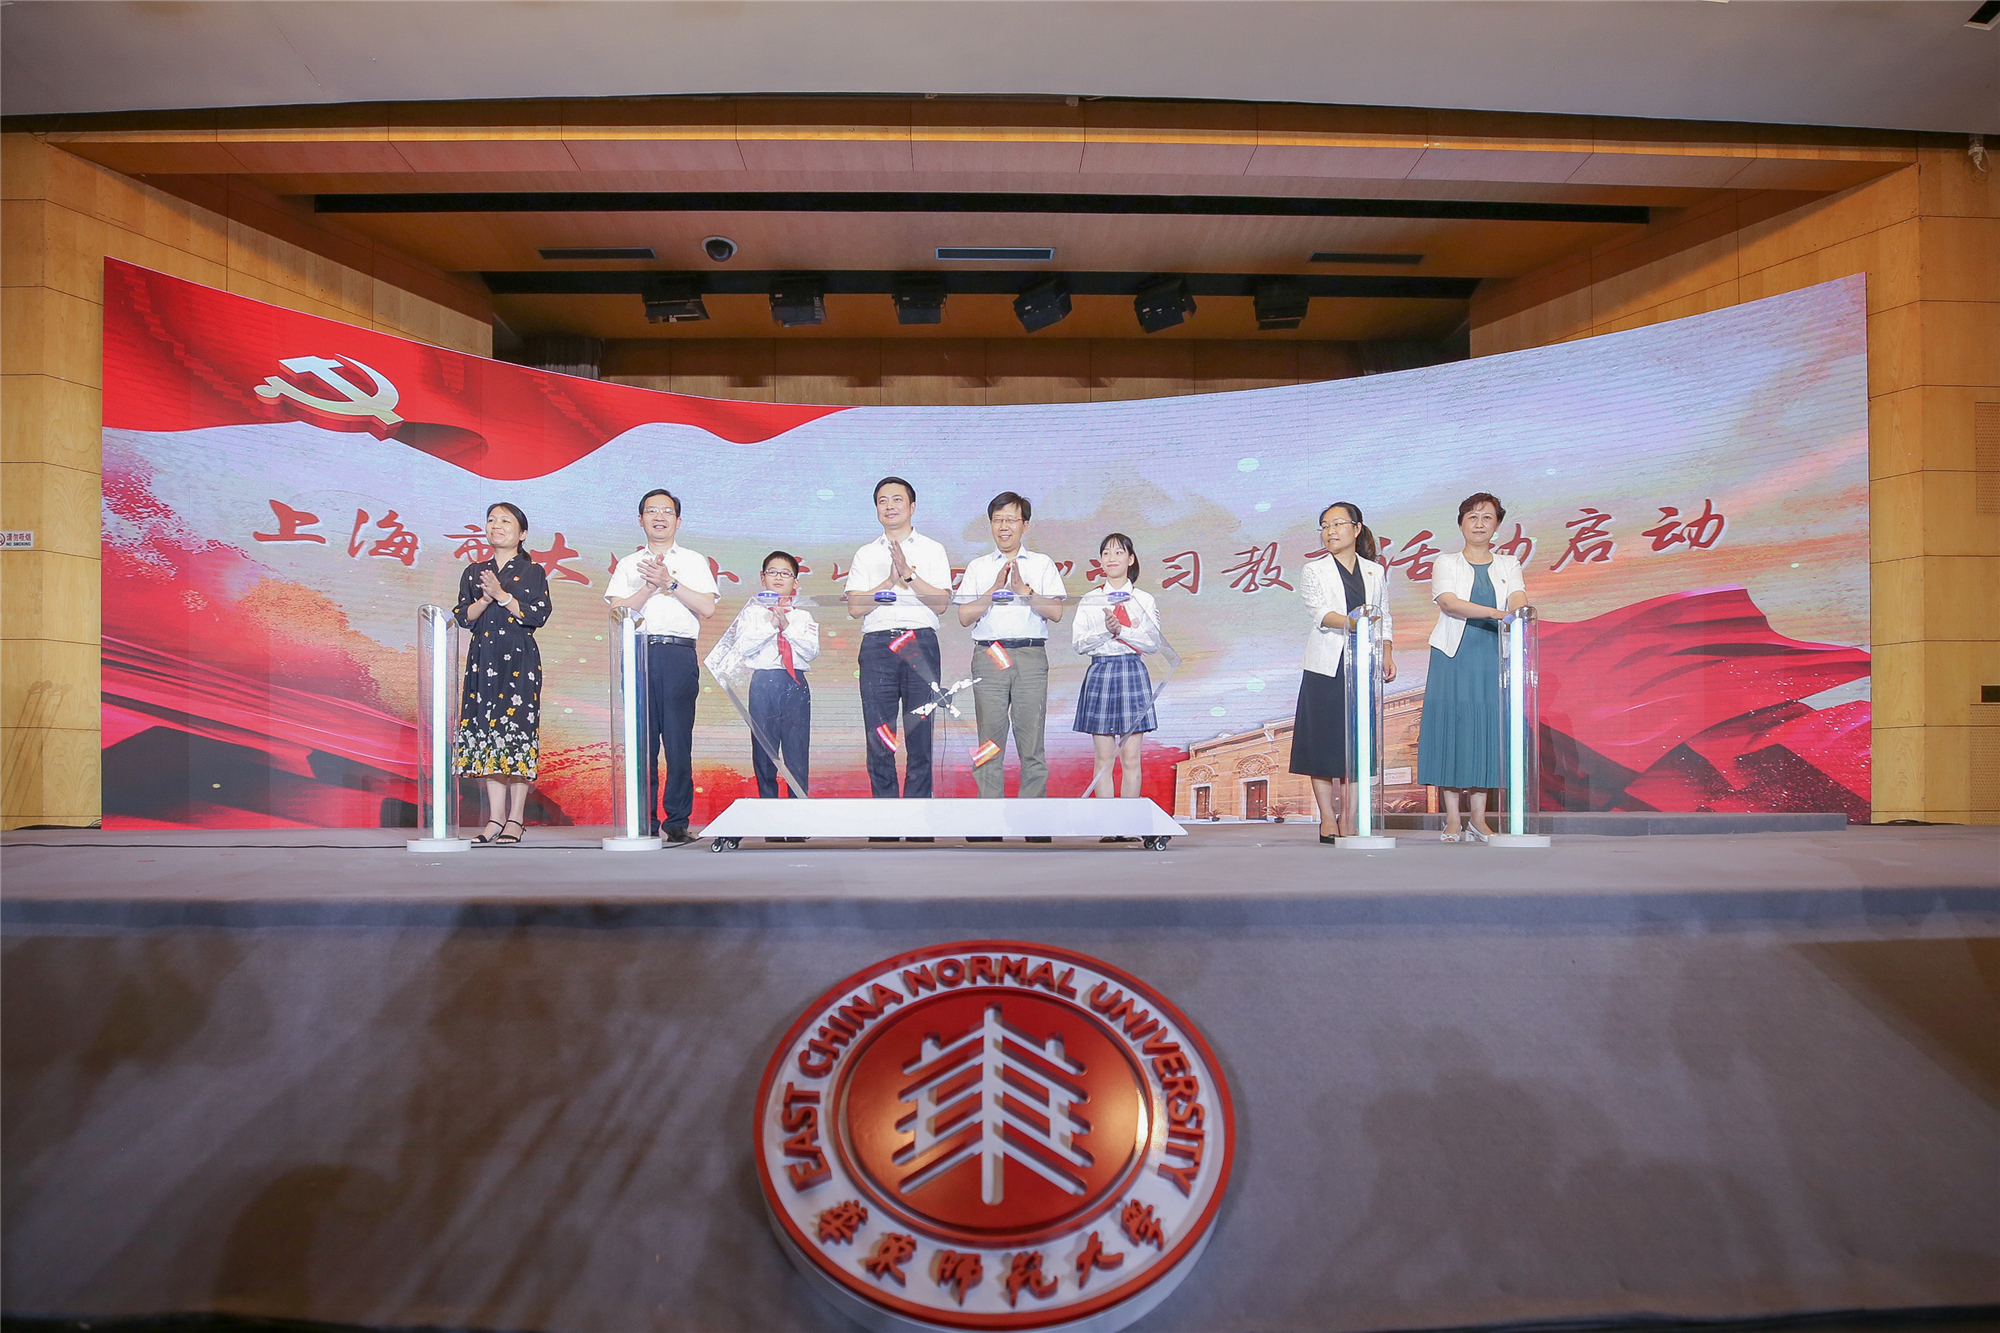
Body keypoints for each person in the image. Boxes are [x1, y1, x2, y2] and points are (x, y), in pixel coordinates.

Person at [605, 488, 718, 843]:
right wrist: (648, 587)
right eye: (651, 511)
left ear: (678, 521)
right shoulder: (628, 564)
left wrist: (669, 582)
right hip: (638, 652)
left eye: (666, 511)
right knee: (641, 743)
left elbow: (707, 607)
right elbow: (617, 614)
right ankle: (643, 821)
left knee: (678, 741)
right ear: (640, 519)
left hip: (677, 654)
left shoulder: (694, 561)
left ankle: (677, 821)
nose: (659, 517)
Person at [1417, 491, 1529, 843]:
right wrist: (1499, 613)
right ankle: (1452, 819)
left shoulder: (1509, 563)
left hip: (1491, 654)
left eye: (1487, 517)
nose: (1480, 524)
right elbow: (1450, 603)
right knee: (1452, 729)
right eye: (1473, 517)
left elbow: (1517, 595)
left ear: (1497, 525)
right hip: (1453, 655)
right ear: (1461, 523)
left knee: (1486, 731)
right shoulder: (1445, 562)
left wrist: (1520, 610)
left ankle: (1478, 819)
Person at [957, 492, 1068, 833]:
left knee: (1031, 741)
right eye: (997, 520)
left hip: (1030, 654)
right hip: (989, 654)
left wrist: (1024, 591)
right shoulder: (978, 567)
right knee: (989, 741)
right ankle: (988, 822)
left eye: (1011, 520)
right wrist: (993, 590)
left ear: (1025, 526)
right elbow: (964, 616)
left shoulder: (1042, 564)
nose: (1004, 527)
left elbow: (1056, 612)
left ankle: (1033, 823)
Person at [844, 477, 952, 824]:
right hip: (878, 645)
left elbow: (941, 603)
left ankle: (918, 819)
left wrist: (908, 574)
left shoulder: (933, 549)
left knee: (920, 733)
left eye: (897, 499)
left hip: (920, 642)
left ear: (912, 507)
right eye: (882, 501)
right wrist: (889, 582)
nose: (889, 506)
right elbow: (855, 607)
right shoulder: (866, 553)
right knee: (880, 733)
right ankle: (886, 818)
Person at [1290, 502, 1397, 844]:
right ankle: (1327, 818)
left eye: (1337, 524)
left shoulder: (1374, 571)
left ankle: (1349, 818)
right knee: (1322, 743)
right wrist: (1355, 623)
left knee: (1358, 742)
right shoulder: (1314, 570)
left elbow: (1385, 615)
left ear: (1357, 528)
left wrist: (1386, 651)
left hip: (1363, 663)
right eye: (1324, 526)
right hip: (1326, 665)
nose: (1330, 531)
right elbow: (1319, 612)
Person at [452, 502, 552, 846]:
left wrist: (502, 595)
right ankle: (495, 818)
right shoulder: (474, 571)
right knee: (488, 733)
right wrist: (485, 599)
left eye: (505, 521)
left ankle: (515, 819)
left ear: (522, 533)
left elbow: (538, 614)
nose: (497, 525)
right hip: (483, 660)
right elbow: (463, 616)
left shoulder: (532, 570)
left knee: (516, 734)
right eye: (492, 520)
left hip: (519, 661)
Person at [1071, 533, 1163, 841]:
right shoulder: (1090, 599)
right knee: (1103, 758)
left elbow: (1152, 643)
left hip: (1131, 671)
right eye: (1106, 553)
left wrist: (1121, 629)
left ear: (1130, 559)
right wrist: (1106, 632)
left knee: (1131, 757)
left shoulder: (1144, 599)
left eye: (1118, 552)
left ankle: (1129, 825)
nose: (1112, 558)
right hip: (1101, 671)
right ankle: (1108, 827)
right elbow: (1079, 644)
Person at [725, 551, 819, 801]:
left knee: (796, 751)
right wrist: (771, 625)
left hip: (794, 683)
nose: (778, 577)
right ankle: (768, 808)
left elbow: (812, 651)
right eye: (773, 572)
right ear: (762, 578)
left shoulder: (803, 616)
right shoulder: (751, 613)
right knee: (764, 751)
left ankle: (798, 810)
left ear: (795, 581)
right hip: (763, 683)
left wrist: (786, 626)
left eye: (786, 573)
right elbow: (742, 648)